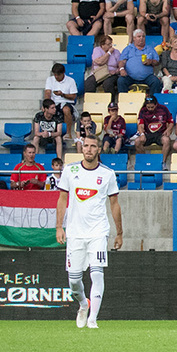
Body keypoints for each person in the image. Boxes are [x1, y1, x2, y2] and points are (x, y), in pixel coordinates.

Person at [54, 134, 121, 329]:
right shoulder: (70, 170)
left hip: (98, 231)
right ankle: (84, 304)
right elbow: (62, 199)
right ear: (81, 148)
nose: (89, 149)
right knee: (74, 281)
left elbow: (115, 204)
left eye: (93, 146)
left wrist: (120, 232)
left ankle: (93, 319)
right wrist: (59, 226)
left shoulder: (107, 174)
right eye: (86, 146)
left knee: (97, 273)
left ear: (98, 149)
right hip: (75, 232)